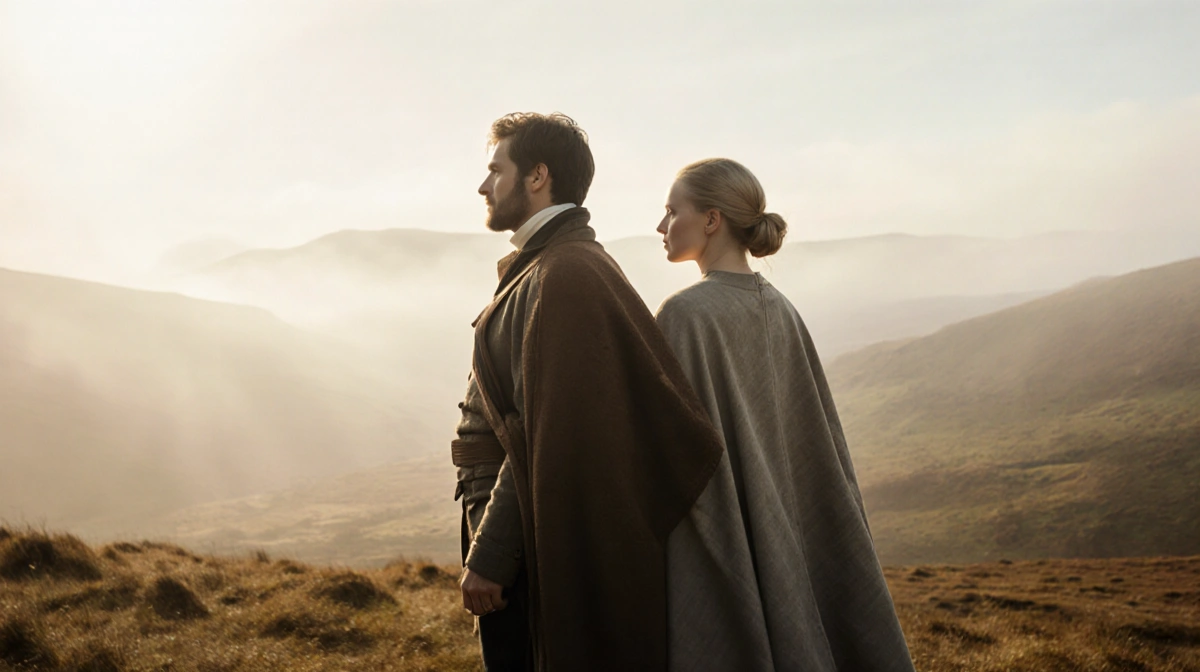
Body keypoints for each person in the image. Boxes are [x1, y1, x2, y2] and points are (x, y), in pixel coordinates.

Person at [451, 113, 725, 670]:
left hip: (527, 535)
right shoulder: (547, 264)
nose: (483, 186)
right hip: (514, 520)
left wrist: (492, 554)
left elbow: (543, 430)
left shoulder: (566, 273)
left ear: (537, 176)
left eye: (495, 170)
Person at [655, 158, 916, 671]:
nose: (661, 226)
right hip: (785, 526)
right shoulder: (783, 307)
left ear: (711, 220)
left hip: (724, 534)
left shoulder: (685, 315)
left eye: (671, 211)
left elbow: (664, 451)